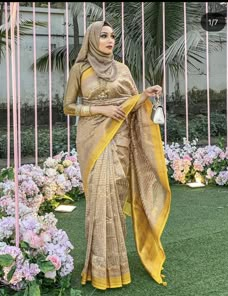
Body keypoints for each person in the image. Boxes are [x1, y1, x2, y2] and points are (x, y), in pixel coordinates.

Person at [63, 20, 171, 290]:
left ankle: (116, 264)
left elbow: (131, 104)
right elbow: (67, 106)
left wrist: (146, 94)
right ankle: (98, 266)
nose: (110, 40)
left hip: (120, 138)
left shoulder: (122, 68)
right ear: (91, 40)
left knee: (113, 193)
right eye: (103, 36)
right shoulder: (80, 69)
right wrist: (100, 110)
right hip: (94, 138)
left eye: (113, 36)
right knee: (99, 195)